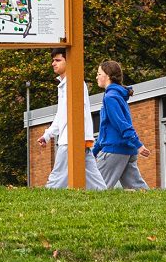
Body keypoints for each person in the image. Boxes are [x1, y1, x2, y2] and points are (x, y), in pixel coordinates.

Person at [37, 49, 105, 189]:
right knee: (95, 182)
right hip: (78, 139)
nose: (53, 64)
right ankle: (107, 201)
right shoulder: (64, 85)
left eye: (58, 60)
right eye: (53, 60)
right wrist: (48, 135)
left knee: (56, 180)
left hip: (71, 140)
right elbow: (61, 115)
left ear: (69, 62)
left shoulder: (74, 84)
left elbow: (74, 113)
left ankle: (43, 205)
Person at [93, 60, 149, 190]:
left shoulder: (110, 97)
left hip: (114, 150)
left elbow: (122, 124)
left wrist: (138, 145)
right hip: (126, 150)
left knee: (96, 189)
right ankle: (158, 207)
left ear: (107, 76)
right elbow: (106, 129)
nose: (97, 77)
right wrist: (94, 151)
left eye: (99, 73)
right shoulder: (116, 95)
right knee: (139, 189)